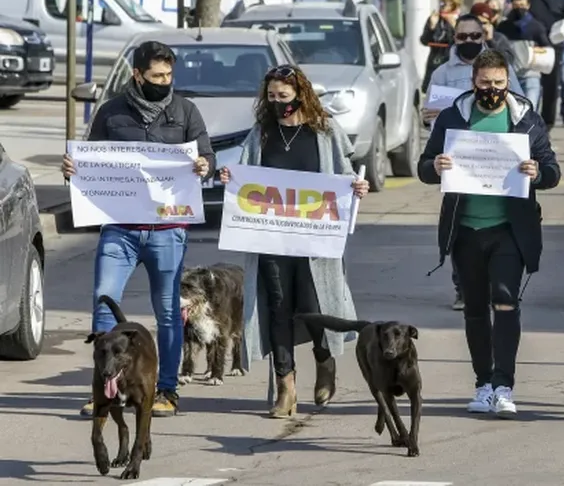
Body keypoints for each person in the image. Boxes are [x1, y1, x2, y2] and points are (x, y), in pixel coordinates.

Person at [64, 41, 215, 417]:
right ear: (137, 75)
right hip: (120, 230)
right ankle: (103, 391)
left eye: (169, 75)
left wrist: (203, 165)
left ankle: (166, 390)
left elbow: (207, 154)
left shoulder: (185, 111)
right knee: (104, 305)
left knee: (168, 313)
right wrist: (73, 170)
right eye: (156, 76)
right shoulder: (111, 112)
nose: (165, 82)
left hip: (167, 230)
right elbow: (91, 161)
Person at [216, 65, 368, 418]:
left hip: (315, 240)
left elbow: (344, 174)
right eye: (271, 96)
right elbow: (244, 172)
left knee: (315, 305)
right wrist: (229, 177)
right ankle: (286, 386)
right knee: (279, 307)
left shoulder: (325, 131)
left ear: (301, 94)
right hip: (272, 238)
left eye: (283, 96)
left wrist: (356, 187)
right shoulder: (262, 133)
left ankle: (324, 359)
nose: (277, 103)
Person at [418, 49, 560, 418]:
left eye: (499, 83)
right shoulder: (453, 118)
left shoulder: (526, 120)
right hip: (466, 230)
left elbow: (552, 171)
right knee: (475, 308)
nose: (492, 90)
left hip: (509, 230)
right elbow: (424, 166)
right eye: (485, 83)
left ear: (509, 82)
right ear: (473, 82)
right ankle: (483, 383)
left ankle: (503, 385)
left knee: (506, 301)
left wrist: (537, 173)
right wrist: (435, 166)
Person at [422, 14, 523, 311]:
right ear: (454, 39)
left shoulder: (501, 67)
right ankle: (463, 287)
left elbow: (520, 104)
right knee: (461, 220)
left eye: (474, 36)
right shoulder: (442, 73)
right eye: (463, 36)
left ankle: (497, 282)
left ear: (484, 36)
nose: (469, 41)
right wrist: (430, 117)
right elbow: (431, 115)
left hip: (498, 158)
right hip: (461, 163)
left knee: (497, 221)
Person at [527, 0, 564, 129]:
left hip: (554, 48)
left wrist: (562, 35)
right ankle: (528, 120)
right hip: (532, 47)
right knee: (530, 84)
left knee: (551, 87)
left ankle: (548, 122)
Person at [496, 0, 550, 110]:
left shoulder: (537, 26)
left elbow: (547, 49)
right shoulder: (503, 27)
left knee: (530, 109)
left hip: (531, 75)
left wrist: (536, 52)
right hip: (509, 77)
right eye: (516, 5)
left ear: (528, 5)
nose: (519, 8)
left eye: (522, 5)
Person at [420, 0, 461, 92]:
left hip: (454, 64)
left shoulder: (460, 19)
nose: (442, 5)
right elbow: (424, 41)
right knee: (435, 97)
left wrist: (455, 26)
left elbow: (463, 42)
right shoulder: (435, 18)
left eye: (446, 2)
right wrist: (432, 27)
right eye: (441, 1)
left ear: (454, 4)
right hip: (436, 62)